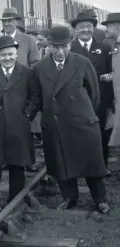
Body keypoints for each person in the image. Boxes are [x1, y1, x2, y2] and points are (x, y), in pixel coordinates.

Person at [32, 26, 110, 214]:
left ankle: (100, 199)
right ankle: (69, 198)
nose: (60, 52)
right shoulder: (40, 68)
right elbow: (38, 97)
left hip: (82, 121)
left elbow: (94, 95)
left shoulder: (82, 63)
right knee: (61, 164)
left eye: (64, 46)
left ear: (70, 44)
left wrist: (83, 114)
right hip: (56, 125)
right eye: (55, 47)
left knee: (93, 163)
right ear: (48, 46)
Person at [0, 36, 39, 212]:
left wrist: (27, 114)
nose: (7, 58)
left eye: (10, 54)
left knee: (17, 162)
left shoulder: (26, 73)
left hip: (18, 123)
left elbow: (35, 97)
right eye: (3, 55)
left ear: (16, 54)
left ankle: (15, 197)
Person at [70, 10, 113, 171]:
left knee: (101, 133)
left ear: (94, 28)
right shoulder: (69, 49)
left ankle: (101, 166)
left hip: (100, 98)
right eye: (82, 27)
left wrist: (110, 76)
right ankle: (79, 167)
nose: (86, 30)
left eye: (89, 26)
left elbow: (113, 70)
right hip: (76, 98)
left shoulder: (104, 48)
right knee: (77, 132)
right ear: (76, 30)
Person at [101, 13, 120, 147]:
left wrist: (111, 76)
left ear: (116, 26)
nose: (106, 29)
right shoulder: (116, 44)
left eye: (108, 26)